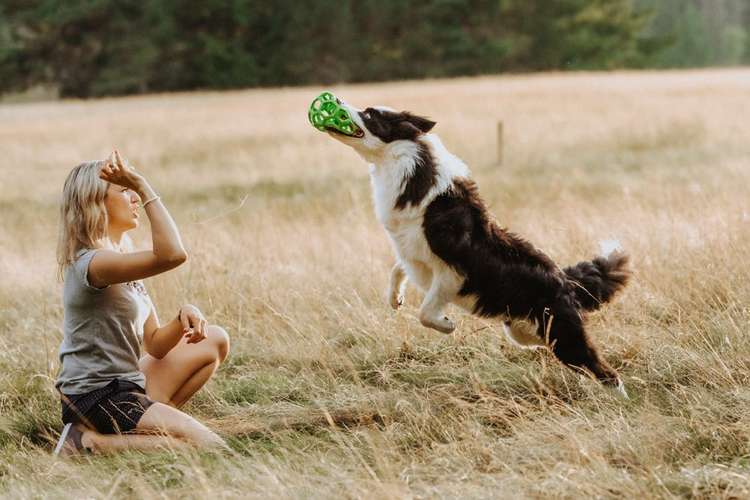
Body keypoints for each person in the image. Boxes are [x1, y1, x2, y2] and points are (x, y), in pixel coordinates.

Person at [53, 151, 230, 456]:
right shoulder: (94, 264)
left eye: (134, 190)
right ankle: (87, 442)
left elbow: (157, 345)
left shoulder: (121, 259)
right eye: (125, 190)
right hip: (98, 397)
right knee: (211, 447)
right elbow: (172, 254)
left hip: (127, 384)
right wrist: (146, 187)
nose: (134, 197)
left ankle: (146, 429)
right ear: (95, 203)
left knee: (214, 339)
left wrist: (181, 317)